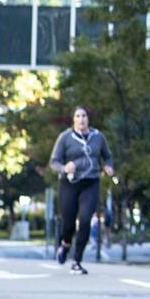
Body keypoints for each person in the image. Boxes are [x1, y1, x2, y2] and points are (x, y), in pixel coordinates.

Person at [49, 105, 114, 275]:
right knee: (68, 223)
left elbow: (107, 156)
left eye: (84, 115)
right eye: (77, 116)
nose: (81, 119)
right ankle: (65, 244)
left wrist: (108, 166)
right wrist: (64, 168)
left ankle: (76, 261)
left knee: (85, 220)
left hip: (91, 182)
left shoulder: (98, 137)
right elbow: (54, 161)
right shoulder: (65, 137)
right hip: (69, 183)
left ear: (88, 118)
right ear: (73, 119)